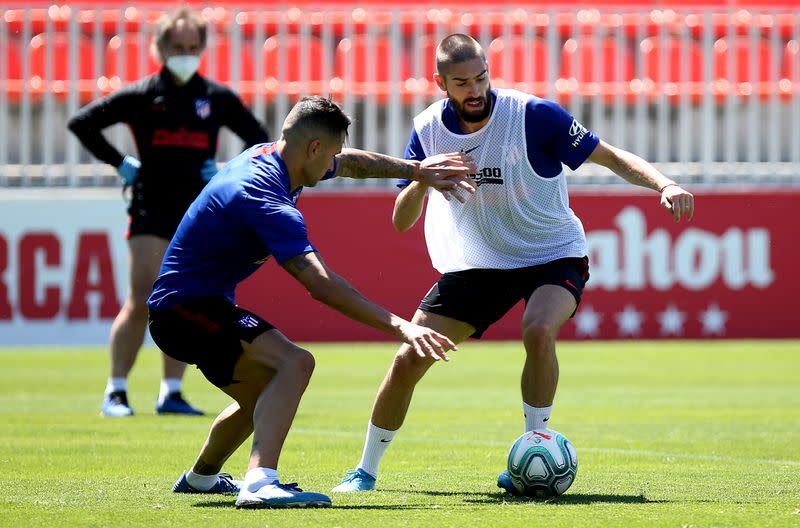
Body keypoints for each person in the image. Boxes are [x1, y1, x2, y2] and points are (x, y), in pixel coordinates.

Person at [332, 33, 695, 495]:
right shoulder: (426, 129)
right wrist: (423, 179)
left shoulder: (533, 115)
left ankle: (532, 445)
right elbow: (401, 221)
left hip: (552, 252)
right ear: (440, 82)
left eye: (481, 77)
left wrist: (663, 184)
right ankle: (364, 471)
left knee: (538, 329)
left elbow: (609, 156)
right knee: (409, 358)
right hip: (478, 262)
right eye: (461, 82)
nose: (474, 89)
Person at [146, 95, 475, 508]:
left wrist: (416, 170)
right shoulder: (265, 198)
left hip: (193, 305)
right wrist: (401, 325)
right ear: (314, 148)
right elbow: (321, 285)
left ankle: (201, 478)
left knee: (265, 395)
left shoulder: (278, 156)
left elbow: (354, 163)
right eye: (331, 152)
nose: (335, 162)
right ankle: (260, 482)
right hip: (184, 310)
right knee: (295, 363)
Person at [67, 7, 270, 417]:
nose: (185, 53)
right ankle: (117, 390)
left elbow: (260, 140)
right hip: (150, 206)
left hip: (198, 210)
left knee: (184, 298)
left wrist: (228, 169)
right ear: (160, 48)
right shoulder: (143, 95)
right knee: (142, 295)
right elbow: (83, 122)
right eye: (177, 46)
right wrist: (120, 162)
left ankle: (171, 392)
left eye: (193, 47)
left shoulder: (215, 98)